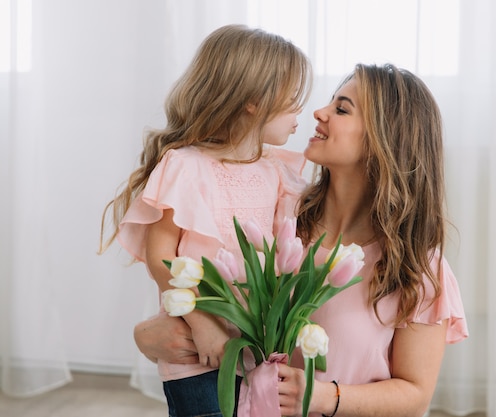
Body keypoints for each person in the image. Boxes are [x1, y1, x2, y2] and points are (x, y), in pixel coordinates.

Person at [134, 63, 468, 417]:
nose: (319, 113)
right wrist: (146, 336)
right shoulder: (277, 220)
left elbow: (415, 393)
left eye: (341, 109)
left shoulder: (416, 266)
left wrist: (323, 397)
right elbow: (201, 288)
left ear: (385, 139)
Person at [99, 24, 312, 417]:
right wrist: (201, 321)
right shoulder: (186, 166)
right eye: (292, 100)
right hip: (197, 352)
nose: (301, 111)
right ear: (253, 101)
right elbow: (160, 254)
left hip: (259, 349)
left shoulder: (279, 172)